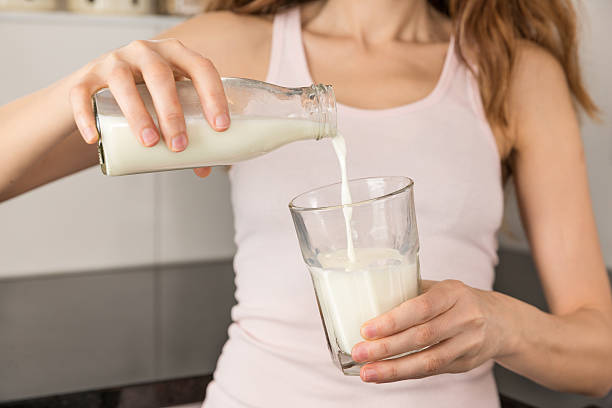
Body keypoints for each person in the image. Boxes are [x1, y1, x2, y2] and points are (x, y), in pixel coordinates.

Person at [1, 0, 611, 406]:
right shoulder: (235, 46)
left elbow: (600, 351)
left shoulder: (511, 71)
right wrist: (77, 90)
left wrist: (504, 325)